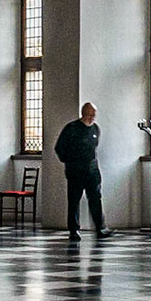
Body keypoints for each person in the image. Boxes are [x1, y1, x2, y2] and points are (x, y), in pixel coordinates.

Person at [53, 102, 112, 243]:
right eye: (89, 115)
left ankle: (100, 228)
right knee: (74, 201)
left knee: (95, 199)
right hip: (75, 171)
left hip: (92, 171)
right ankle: (74, 230)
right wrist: (71, 162)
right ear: (83, 113)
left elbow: (94, 148)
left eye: (93, 115)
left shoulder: (95, 129)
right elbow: (59, 148)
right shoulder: (71, 128)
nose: (91, 118)